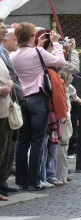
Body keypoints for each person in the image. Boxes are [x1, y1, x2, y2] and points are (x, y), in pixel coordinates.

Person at [11, 23, 70, 191]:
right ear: (31, 37)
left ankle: (21, 181)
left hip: (22, 99)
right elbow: (60, 62)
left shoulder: (14, 56)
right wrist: (56, 43)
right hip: (38, 99)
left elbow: (30, 58)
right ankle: (33, 181)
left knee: (23, 142)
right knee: (37, 142)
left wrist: (37, 47)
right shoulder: (38, 53)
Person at [0, 21, 21, 198]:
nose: (4, 30)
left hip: (6, 108)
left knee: (6, 149)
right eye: (1, 28)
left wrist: (9, 84)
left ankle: (1, 183)